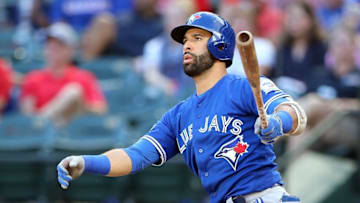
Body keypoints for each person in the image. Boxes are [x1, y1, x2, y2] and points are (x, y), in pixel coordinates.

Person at [57, 12, 307, 203]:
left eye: (197, 38)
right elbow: (135, 155)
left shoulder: (243, 88)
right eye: (185, 40)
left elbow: (295, 113)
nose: (186, 45)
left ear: (219, 45)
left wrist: (277, 123)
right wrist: (86, 162)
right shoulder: (178, 116)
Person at [20, 22, 107, 126]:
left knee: (73, 92)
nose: (53, 49)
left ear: (71, 49)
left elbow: (100, 109)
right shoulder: (33, 78)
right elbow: (27, 116)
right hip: (40, 134)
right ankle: (44, 124)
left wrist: (77, 106)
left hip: (75, 130)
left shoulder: (84, 77)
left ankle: (43, 123)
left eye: (59, 45)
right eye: (50, 45)